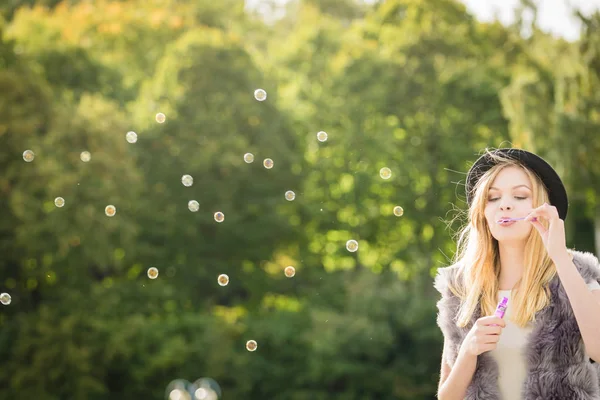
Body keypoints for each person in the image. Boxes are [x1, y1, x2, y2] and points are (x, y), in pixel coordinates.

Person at [434, 148, 600, 400]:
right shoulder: (461, 287)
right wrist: (468, 351)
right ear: (482, 212)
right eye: (493, 198)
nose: (505, 205)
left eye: (521, 196)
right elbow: (446, 397)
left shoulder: (576, 273)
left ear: (543, 208)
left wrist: (559, 257)